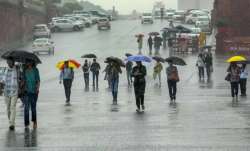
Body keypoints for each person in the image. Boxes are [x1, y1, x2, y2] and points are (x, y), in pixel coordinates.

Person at [2, 58, 19, 130]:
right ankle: (10, 121)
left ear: (13, 62)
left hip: (14, 91)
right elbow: (2, 80)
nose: (9, 63)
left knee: (13, 107)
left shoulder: (17, 70)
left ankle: (12, 123)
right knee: (8, 108)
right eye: (8, 62)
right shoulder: (5, 70)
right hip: (6, 92)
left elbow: (20, 78)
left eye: (11, 62)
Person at [24, 61, 40, 129]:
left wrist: (37, 88)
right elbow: (24, 80)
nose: (28, 63)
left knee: (33, 108)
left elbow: (38, 80)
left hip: (34, 92)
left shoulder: (35, 70)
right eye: (27, 62)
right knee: (26, 108)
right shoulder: (25, 70)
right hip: (27, 92)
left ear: (32, 62)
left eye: (29, 61)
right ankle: (26, 123)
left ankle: (34, 122)